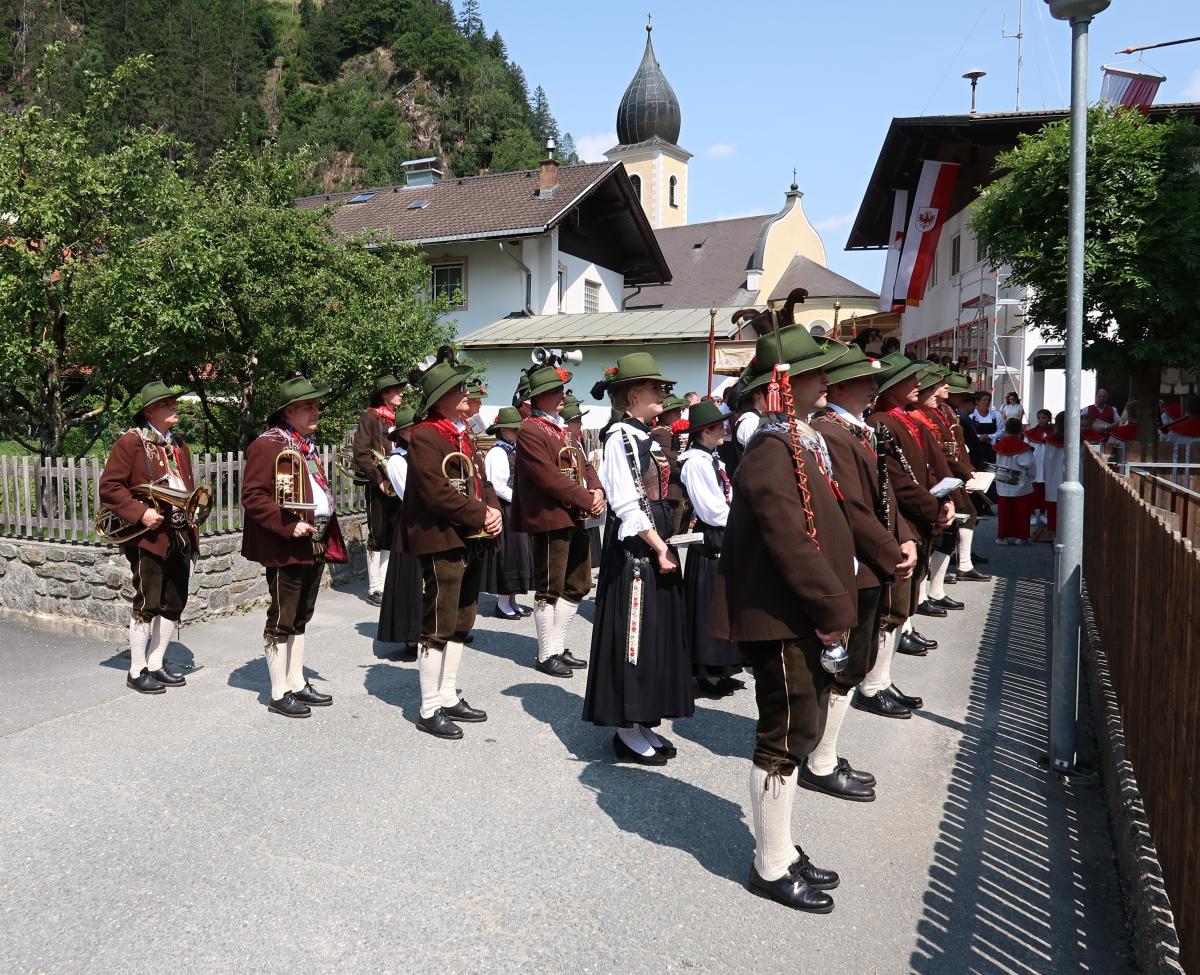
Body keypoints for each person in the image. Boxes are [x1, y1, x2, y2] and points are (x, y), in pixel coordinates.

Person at [711, 323, 852, 913]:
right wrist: (831, 608)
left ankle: (783, 847)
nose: (826, 378)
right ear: (785, 383)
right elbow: (790, 540)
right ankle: (769, 866)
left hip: (798, 615)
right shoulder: (772, 450)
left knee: (798, 734)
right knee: (784, 736)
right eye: (814, 370)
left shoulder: (795, 440)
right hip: (784, 618)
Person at [809, 347, 917, 801]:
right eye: (862, 380)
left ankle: (824, 751)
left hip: (871, 560)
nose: (873, 386)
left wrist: (905, 535)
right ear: (837, 386)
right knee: (846, 665)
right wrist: (891, 551)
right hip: (854, 563)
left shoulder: (857, 428)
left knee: (859, 659)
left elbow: (887, 491)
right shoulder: (832, 431)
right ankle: (821, 759)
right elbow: (852, 507)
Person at [582, 352, 693, 765]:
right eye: (654, 387)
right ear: (633, 394)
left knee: (653, 634)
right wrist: (659, 545)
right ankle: (626, 727)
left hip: (654, 540)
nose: (662, 392)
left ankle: (643, 718)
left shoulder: (644, 434)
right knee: (634, 635)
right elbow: (628, 504)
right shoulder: (618, 438)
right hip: (636, 549)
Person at [402, 350, 503, 739]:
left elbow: (481, 481)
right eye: (459, 389)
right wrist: (480, 515)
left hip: (470, 537)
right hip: (442, 539)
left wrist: (493, 511)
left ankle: (447, 695)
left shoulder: (461, 433)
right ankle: (429, 708)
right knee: (439, 622)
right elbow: (435, 493)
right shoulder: (426, 435)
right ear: (441, 395)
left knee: (463, 619)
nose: (467, 394)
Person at [241, 375, 349, 718]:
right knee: (282, 615)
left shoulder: (304, 443)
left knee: (302, 614)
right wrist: (288, 525)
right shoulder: (268, 444)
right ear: (289, 411)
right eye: (308, 406)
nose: (316, 411)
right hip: (286, 542)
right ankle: (278, 691)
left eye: (316, 405)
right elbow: (253, 496)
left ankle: (296, 681)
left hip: (313, 539)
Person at [859, 353, 955, 714]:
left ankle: (882, 680)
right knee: (892, 609)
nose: (918, 385)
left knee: (903, 605)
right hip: (902, 521)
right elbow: (896, 481)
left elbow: (925, 471)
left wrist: (941, 500)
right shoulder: (883, 421)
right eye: (909, 379)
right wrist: (932, 507)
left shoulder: (901, 419)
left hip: (918, 517)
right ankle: (872, 686)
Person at [99, 381, 202, 695]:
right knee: (148, 601)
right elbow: (110, 488)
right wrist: (140, 512)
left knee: (174, 601)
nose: (174, 407)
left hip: (180, 532)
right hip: (148, 536)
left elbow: (187, 489)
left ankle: (157, 663)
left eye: (174, 402)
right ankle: (136, 669)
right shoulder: (130, 443)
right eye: (167, 404)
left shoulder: (179, 444)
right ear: (149, 412)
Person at [512, 365, 605, 678]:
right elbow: (547, 478)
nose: (562, 395)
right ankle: (546, 653)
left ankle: (559, 646)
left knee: (578, 583)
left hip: (573, 514)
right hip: (550, 517)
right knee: (548, 588)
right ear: (540, 397)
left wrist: (597, 490)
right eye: (556, 391)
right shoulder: (530, 429)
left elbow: (584, 463)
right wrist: (586, 499)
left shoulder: (561, 428)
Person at [677, 399, 743, 697]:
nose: (725, 431)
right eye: (720, 427)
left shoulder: (713, 458)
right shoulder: (695, 463)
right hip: (713, 535)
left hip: (725, 531)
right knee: (708, 606)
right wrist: (742, 519)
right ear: (704, 432)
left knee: (724, 602)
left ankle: (724, 667)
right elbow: (711, 509)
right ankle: (707, 671)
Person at [910, 367, 964, 617]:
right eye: (933, 388)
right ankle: (923, 597)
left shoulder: (939, 412)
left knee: (944, 536)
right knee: (925, 546)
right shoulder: (917, 417)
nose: (941, 390)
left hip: (940, 479)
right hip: (928, 485)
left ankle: (934, 591)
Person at [354, 373, 404, 606]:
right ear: (384, 394)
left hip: (398, 484)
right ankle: (375, 588)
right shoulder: (370, 418)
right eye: (396, 390)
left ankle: (387, 584)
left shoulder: (398, 418)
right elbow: (361, 453)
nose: (401, 393)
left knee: (393, 534)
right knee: (378, 534)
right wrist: (379, 479)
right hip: (379, 485)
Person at [377, 406, 423, 660]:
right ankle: (410, 635)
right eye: (412, 429)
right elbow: (410, 494)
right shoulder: (397, 459)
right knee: (410, 580)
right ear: (403, 433)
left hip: (427, 522)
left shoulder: (422, 453)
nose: (417, 432)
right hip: (410, 525)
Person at [481, 406, 533, 621]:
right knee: (509, 555)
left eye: (518, 429)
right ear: (502, 430)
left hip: (516, 506)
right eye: (513, 430)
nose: (516, 433)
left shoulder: (512, 448)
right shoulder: (497, 451)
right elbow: (496, 485)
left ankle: (511, 600)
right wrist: (521, 500)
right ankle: (502, 603)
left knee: (519, 554)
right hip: (506, 507)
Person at [940, 373, 990, 581]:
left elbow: (959, 447)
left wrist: (967, 469)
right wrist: (964, 469)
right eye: (962, 395)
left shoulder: (951, 413)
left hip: (957, 471)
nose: (963, 400)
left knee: (966, 514)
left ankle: (962, 563)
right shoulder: (944, 413)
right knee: (957, 519)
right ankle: (956, 566)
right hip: (948, 474)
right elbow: (946, 449)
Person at [993, 418, 1037, 545]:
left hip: (1002, 480)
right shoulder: (1023, 448)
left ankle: (1002, 537)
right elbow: (1030, 465)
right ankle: (1021, 537)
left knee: (1004, 512)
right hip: (1020, 482)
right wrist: (1031, 477)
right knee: (1022, 512)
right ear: (1020, 430)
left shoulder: (1000, 445)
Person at [651, 394, 688, 535]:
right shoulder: (660, 433)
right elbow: (672, 463)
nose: (680, 414)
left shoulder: (670, 432)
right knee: (669, 536)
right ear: (665, 414)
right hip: (672, 491)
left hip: (679, 489)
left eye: (680, 410)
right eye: (676, 411)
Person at [1025, 409, 1054, 537]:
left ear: (1049, 419)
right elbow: (1026, 448)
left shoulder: (1054, 433)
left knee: (1045, 491)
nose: (1041, 420)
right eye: (1039, 418)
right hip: (1035, 464)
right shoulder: (1031, 434)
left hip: (1048, 466)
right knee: (1033, 491)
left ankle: (1043, 513)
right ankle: (1032, 513)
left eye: (1044, 418)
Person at [1041, 412, 1067, 543]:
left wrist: (1046, 474)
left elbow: (1046, 461)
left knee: (1053, 501)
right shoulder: (1077, 440)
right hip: (1070, 476)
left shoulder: (1050, 441)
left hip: (1052, 475)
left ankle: (1053, 532)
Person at [968, 391, 1003, 464]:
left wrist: (990, 436)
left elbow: (1002, 431)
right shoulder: (971, 416)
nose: (987, 402)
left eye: (988, 400)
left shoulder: (997, 415)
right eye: (984, 400)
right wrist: (979, 437)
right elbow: (968, 433)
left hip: (992, 449)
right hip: (976, 449)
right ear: (977, 402)